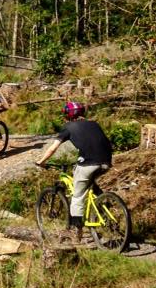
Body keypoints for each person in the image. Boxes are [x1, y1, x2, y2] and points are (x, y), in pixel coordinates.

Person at [36, 101, 113, 240]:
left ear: (67, 115)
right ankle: (102, 202)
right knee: (89, 182)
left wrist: (41, 162)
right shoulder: (94, 124)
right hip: (106, 161)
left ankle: (75, 230)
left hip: (89, 162)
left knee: (77, 195)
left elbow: (53, 148)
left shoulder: (68, 127)